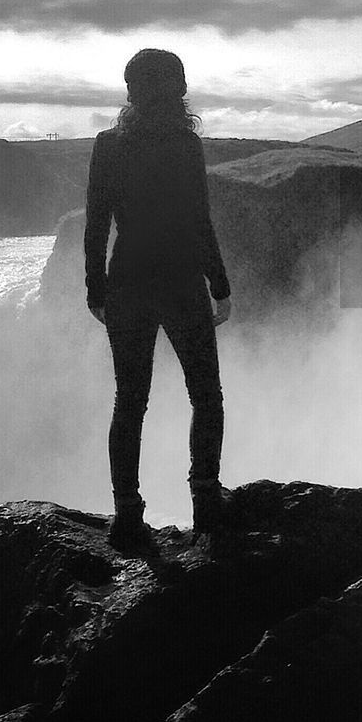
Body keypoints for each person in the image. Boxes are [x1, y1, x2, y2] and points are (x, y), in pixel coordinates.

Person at [84, 48, 232, 551]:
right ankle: (206, 500)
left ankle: (126, 514)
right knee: (206, 396)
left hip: (126, 282)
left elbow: (96, 224)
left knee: (130, 401)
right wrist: (220, 285)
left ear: (131, 92)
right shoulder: (186, 146)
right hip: (180, 282)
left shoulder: (108, 145)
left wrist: (95, 289)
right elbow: (199, 220)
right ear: (179, 92)